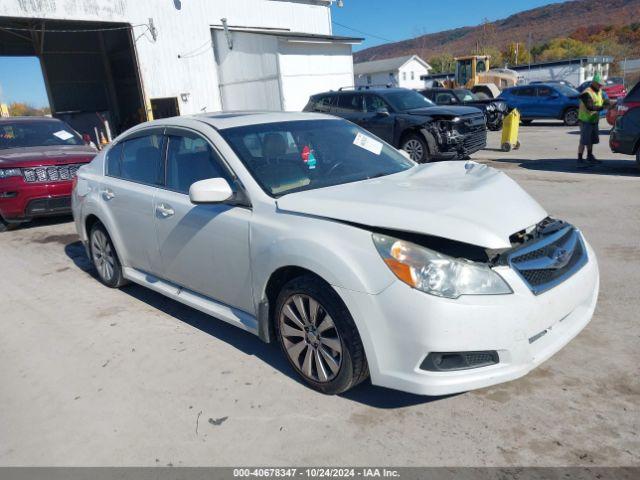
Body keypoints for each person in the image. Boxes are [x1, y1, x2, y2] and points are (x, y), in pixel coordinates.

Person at [577, 72, 609, 167]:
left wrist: (608, 103)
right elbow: (590, 107)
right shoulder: (586, 93)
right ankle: (579, 159)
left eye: (601, 84)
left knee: (591, 140)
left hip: (593, 120)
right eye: (599, 84)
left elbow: (606, 99)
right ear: (594, 83)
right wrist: (603, 107)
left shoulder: (599, 91)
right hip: (585, 120)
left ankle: (589, 156)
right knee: (584, 140)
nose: (601, 86)